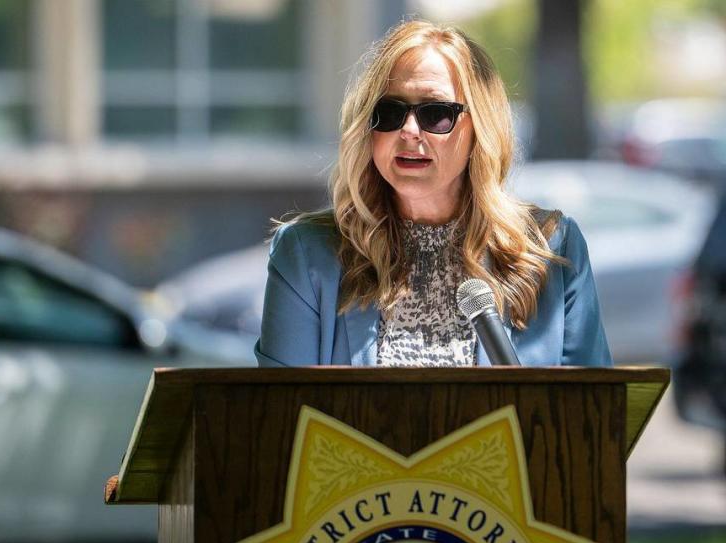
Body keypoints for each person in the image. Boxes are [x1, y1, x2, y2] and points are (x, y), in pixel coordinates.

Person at [255, 19, 610, 367]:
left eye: (436, 113)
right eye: (390, 111)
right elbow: (284, 416)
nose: (409, 130)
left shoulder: (552, 250)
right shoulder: (304, 254)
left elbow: (592, 416)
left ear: (480, 129)